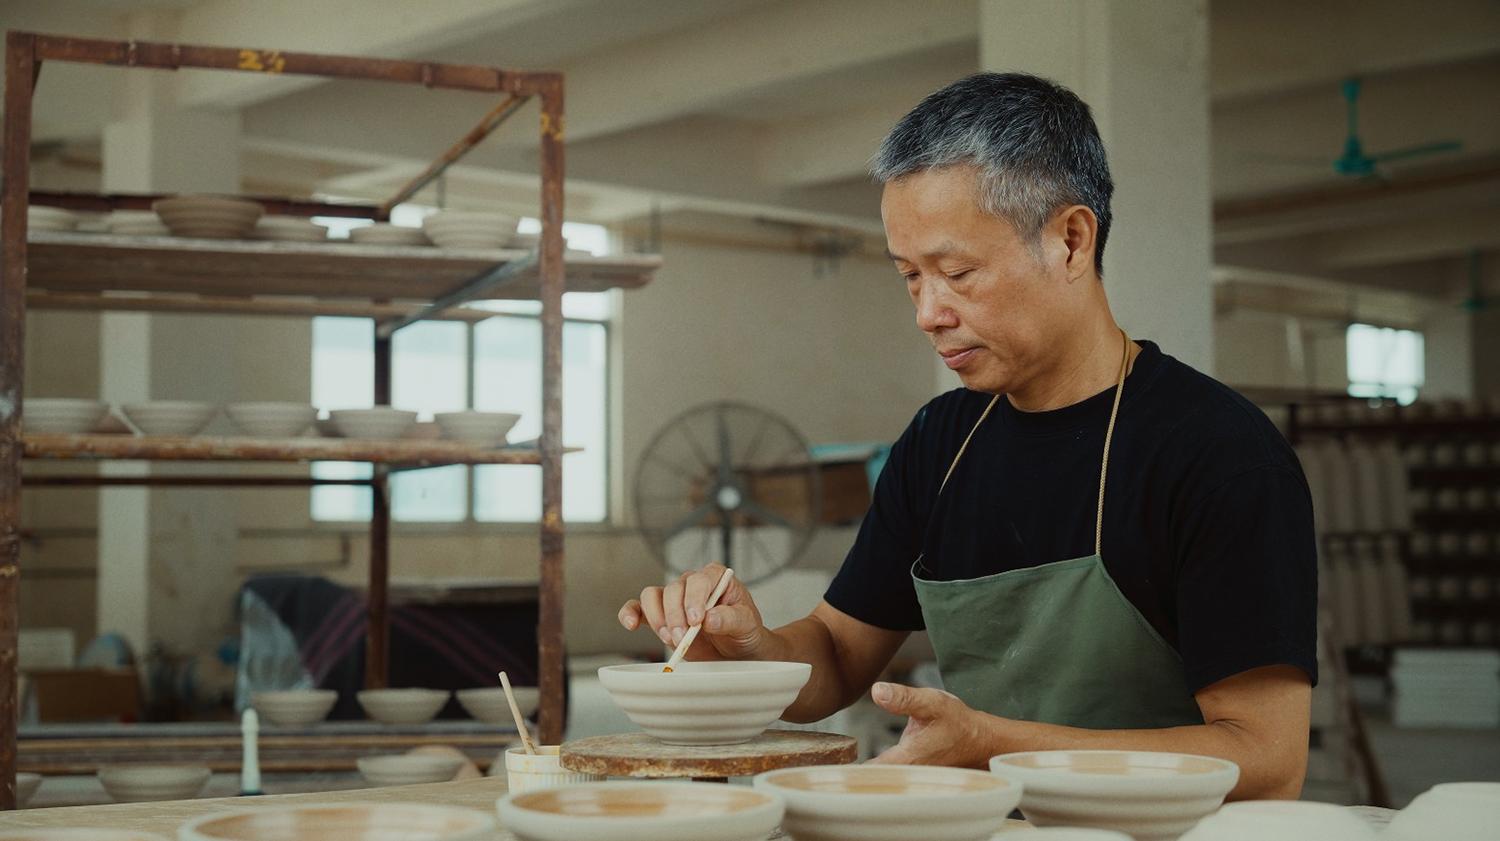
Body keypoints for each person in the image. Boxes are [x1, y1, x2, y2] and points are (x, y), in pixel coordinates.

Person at [618, 72, 1316, 800]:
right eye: (910, 276)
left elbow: (1266, 756)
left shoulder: (1217, 454)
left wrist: (992, 743)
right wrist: (750, 644)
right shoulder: (940, 442)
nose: (928, 312)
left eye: (957, 272)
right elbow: (834, 654)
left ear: (1071, 240)